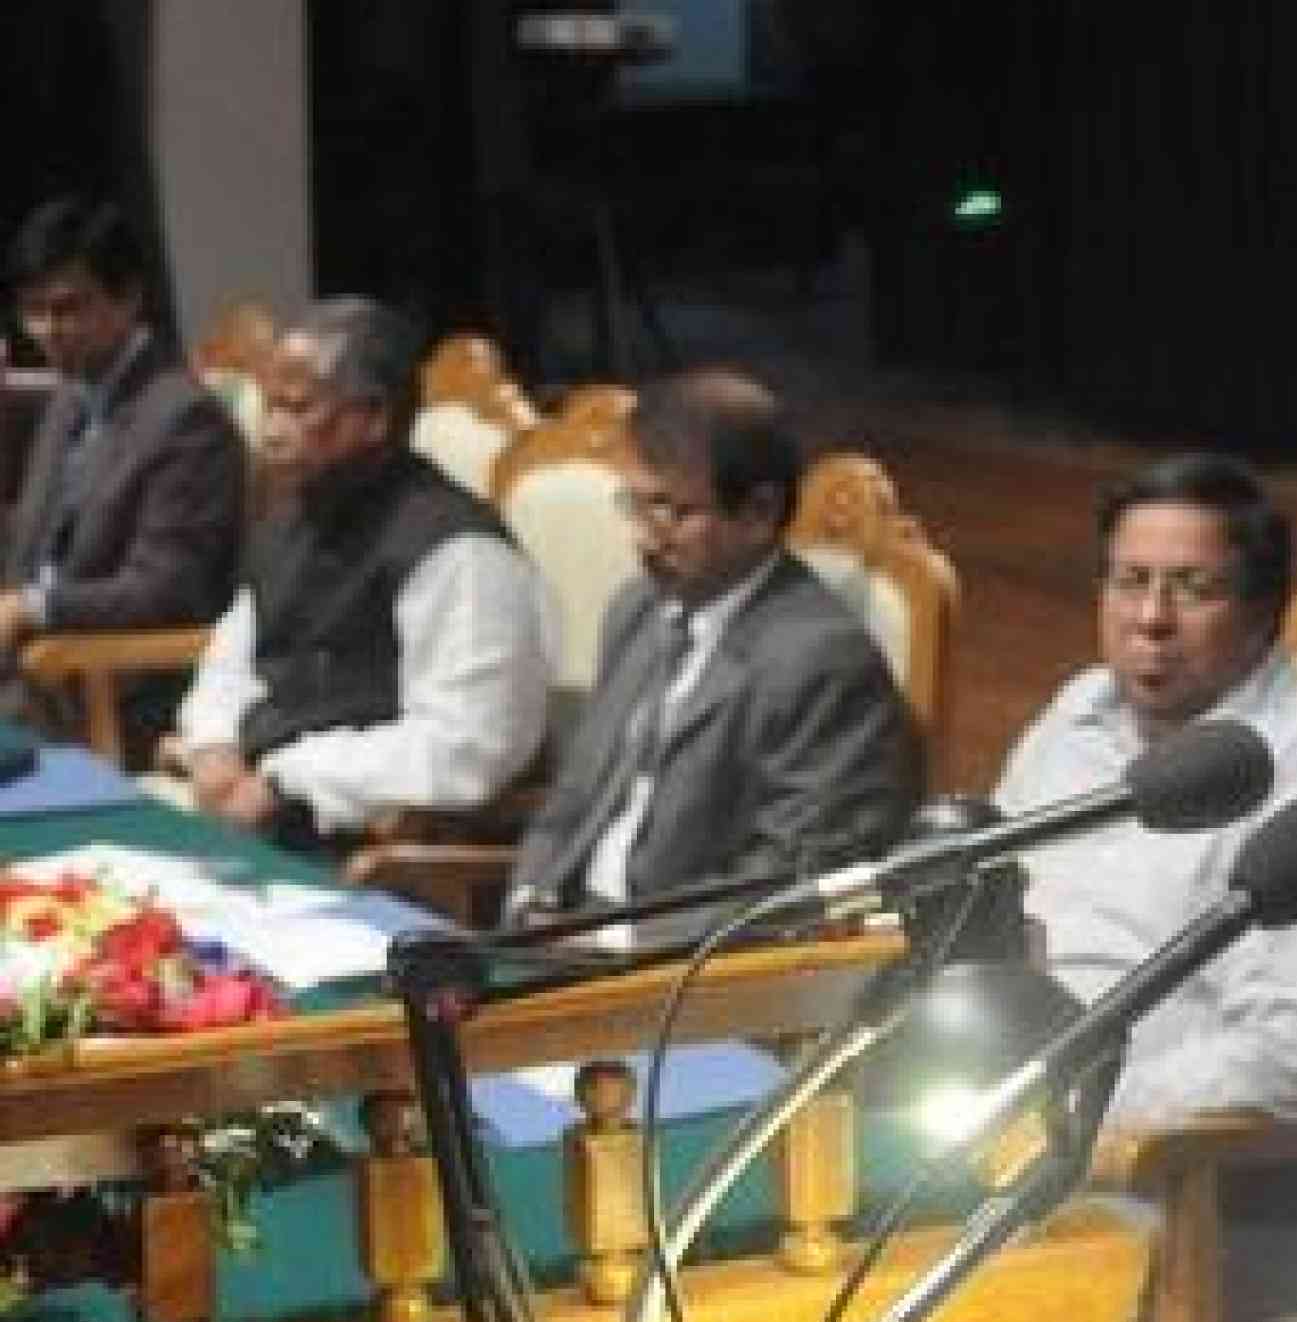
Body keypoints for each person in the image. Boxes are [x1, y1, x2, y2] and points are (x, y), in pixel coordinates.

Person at [994, 452, 1297, 1127]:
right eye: (1129, 582)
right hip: (993, 1105)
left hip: (1178, 1175)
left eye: (1192, 589)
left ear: (1264, 615)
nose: (1150, 618)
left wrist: (1074, 1112)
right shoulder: (1075, 716)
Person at [504, 369, 922, 937]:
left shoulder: (822, 663)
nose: (646, 538)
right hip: (561, 941)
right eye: (635, 505)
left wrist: (618, 944)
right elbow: (574, 798)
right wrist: (531, 897)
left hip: (680, 973)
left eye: (671, 512)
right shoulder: (638, 610)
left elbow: (789, 882)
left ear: (758, 515)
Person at [173, 297, 552, 851]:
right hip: (254, 806)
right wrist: (212, 746)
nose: (271, 434)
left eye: (298, 411)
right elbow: (232, 663)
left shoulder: (459, 550)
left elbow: (468, 746)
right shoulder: (291, 519)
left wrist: (287, 777)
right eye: (269, 407)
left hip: (366, 842)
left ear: (374, 417)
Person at [0, 197, 245, 755]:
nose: (46, 330)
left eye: (67, 309)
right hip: (29, 678)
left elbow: (167, 591)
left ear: (130, 297)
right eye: (32, 311)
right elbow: (32, 547)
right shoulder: (71, 397)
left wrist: (34, 608)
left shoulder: (185, 420)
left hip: (108, 692)